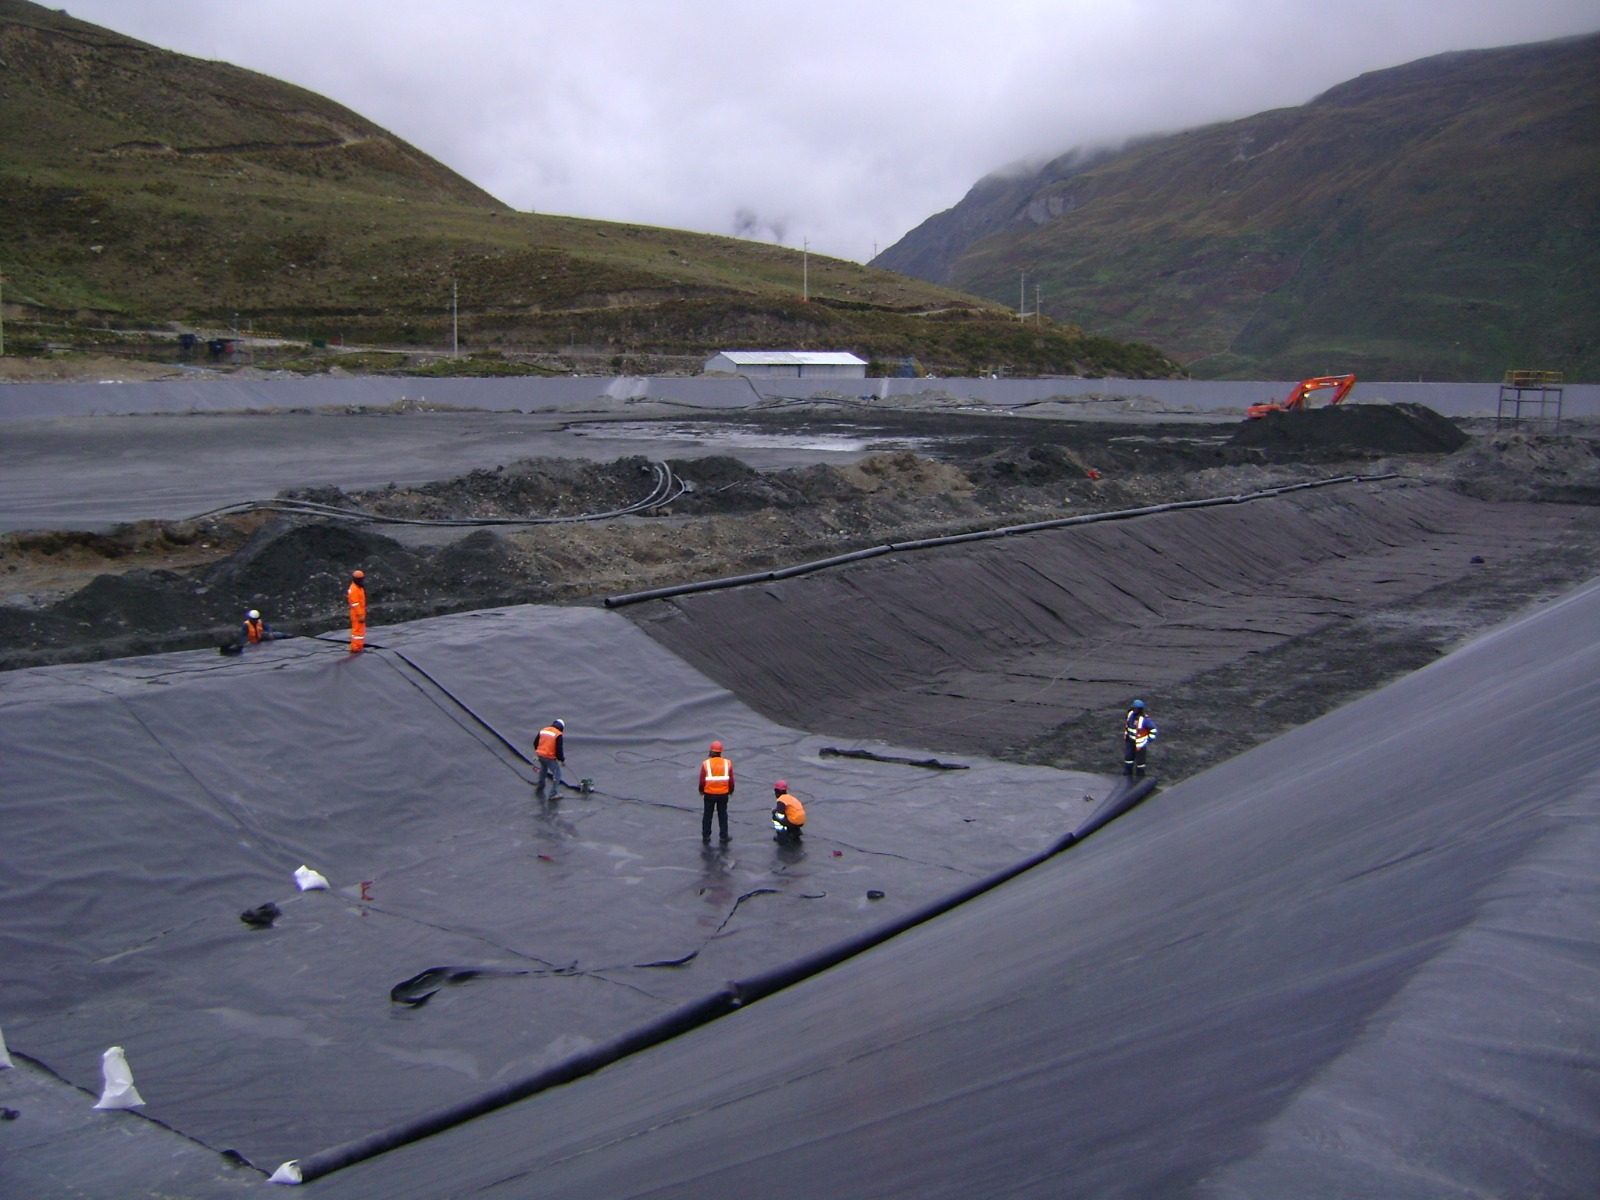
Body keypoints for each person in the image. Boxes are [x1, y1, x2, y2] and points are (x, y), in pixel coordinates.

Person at [699, 739, 734, 844]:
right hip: (723, 794)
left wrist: (701, 790)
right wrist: (731, 790)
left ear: (711, 751)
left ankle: (706, 836)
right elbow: (731, 780)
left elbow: (702, 779)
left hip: (709, 794)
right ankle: (723, 836)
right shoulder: (727, 763)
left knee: (707, 815)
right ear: (720, 752)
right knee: (723, 815)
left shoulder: (706, 764)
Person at [1123, 698, 1159, 778]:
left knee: (1140, 763)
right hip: (1130, 742)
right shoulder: (1130, 715)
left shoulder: (1145, 720)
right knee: (1128, 759)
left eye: (1136, 708)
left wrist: (1147, 740)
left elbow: (1153, 730)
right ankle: (1127, 775)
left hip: (1140, 745)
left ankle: (1140, 777)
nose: (1134, 710)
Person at [534, 719, 566, 801]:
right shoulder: (558, 734)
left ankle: (540, 785)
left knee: (543, 769)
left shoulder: (543, 730)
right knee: (557, 774)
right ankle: (553, 794)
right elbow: (559, 749)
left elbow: (535, 742)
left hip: (540, 755)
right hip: (549, 757)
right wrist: (562, 760)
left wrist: (539, 752)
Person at [347, 570, 367, 653]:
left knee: (360, 630)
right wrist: (360, 614)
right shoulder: (354, 589)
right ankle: (356, 647)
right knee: (357, 631)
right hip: (357, 613)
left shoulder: (358, 587)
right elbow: (355, 604)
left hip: (359, 611)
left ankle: (358, 646)